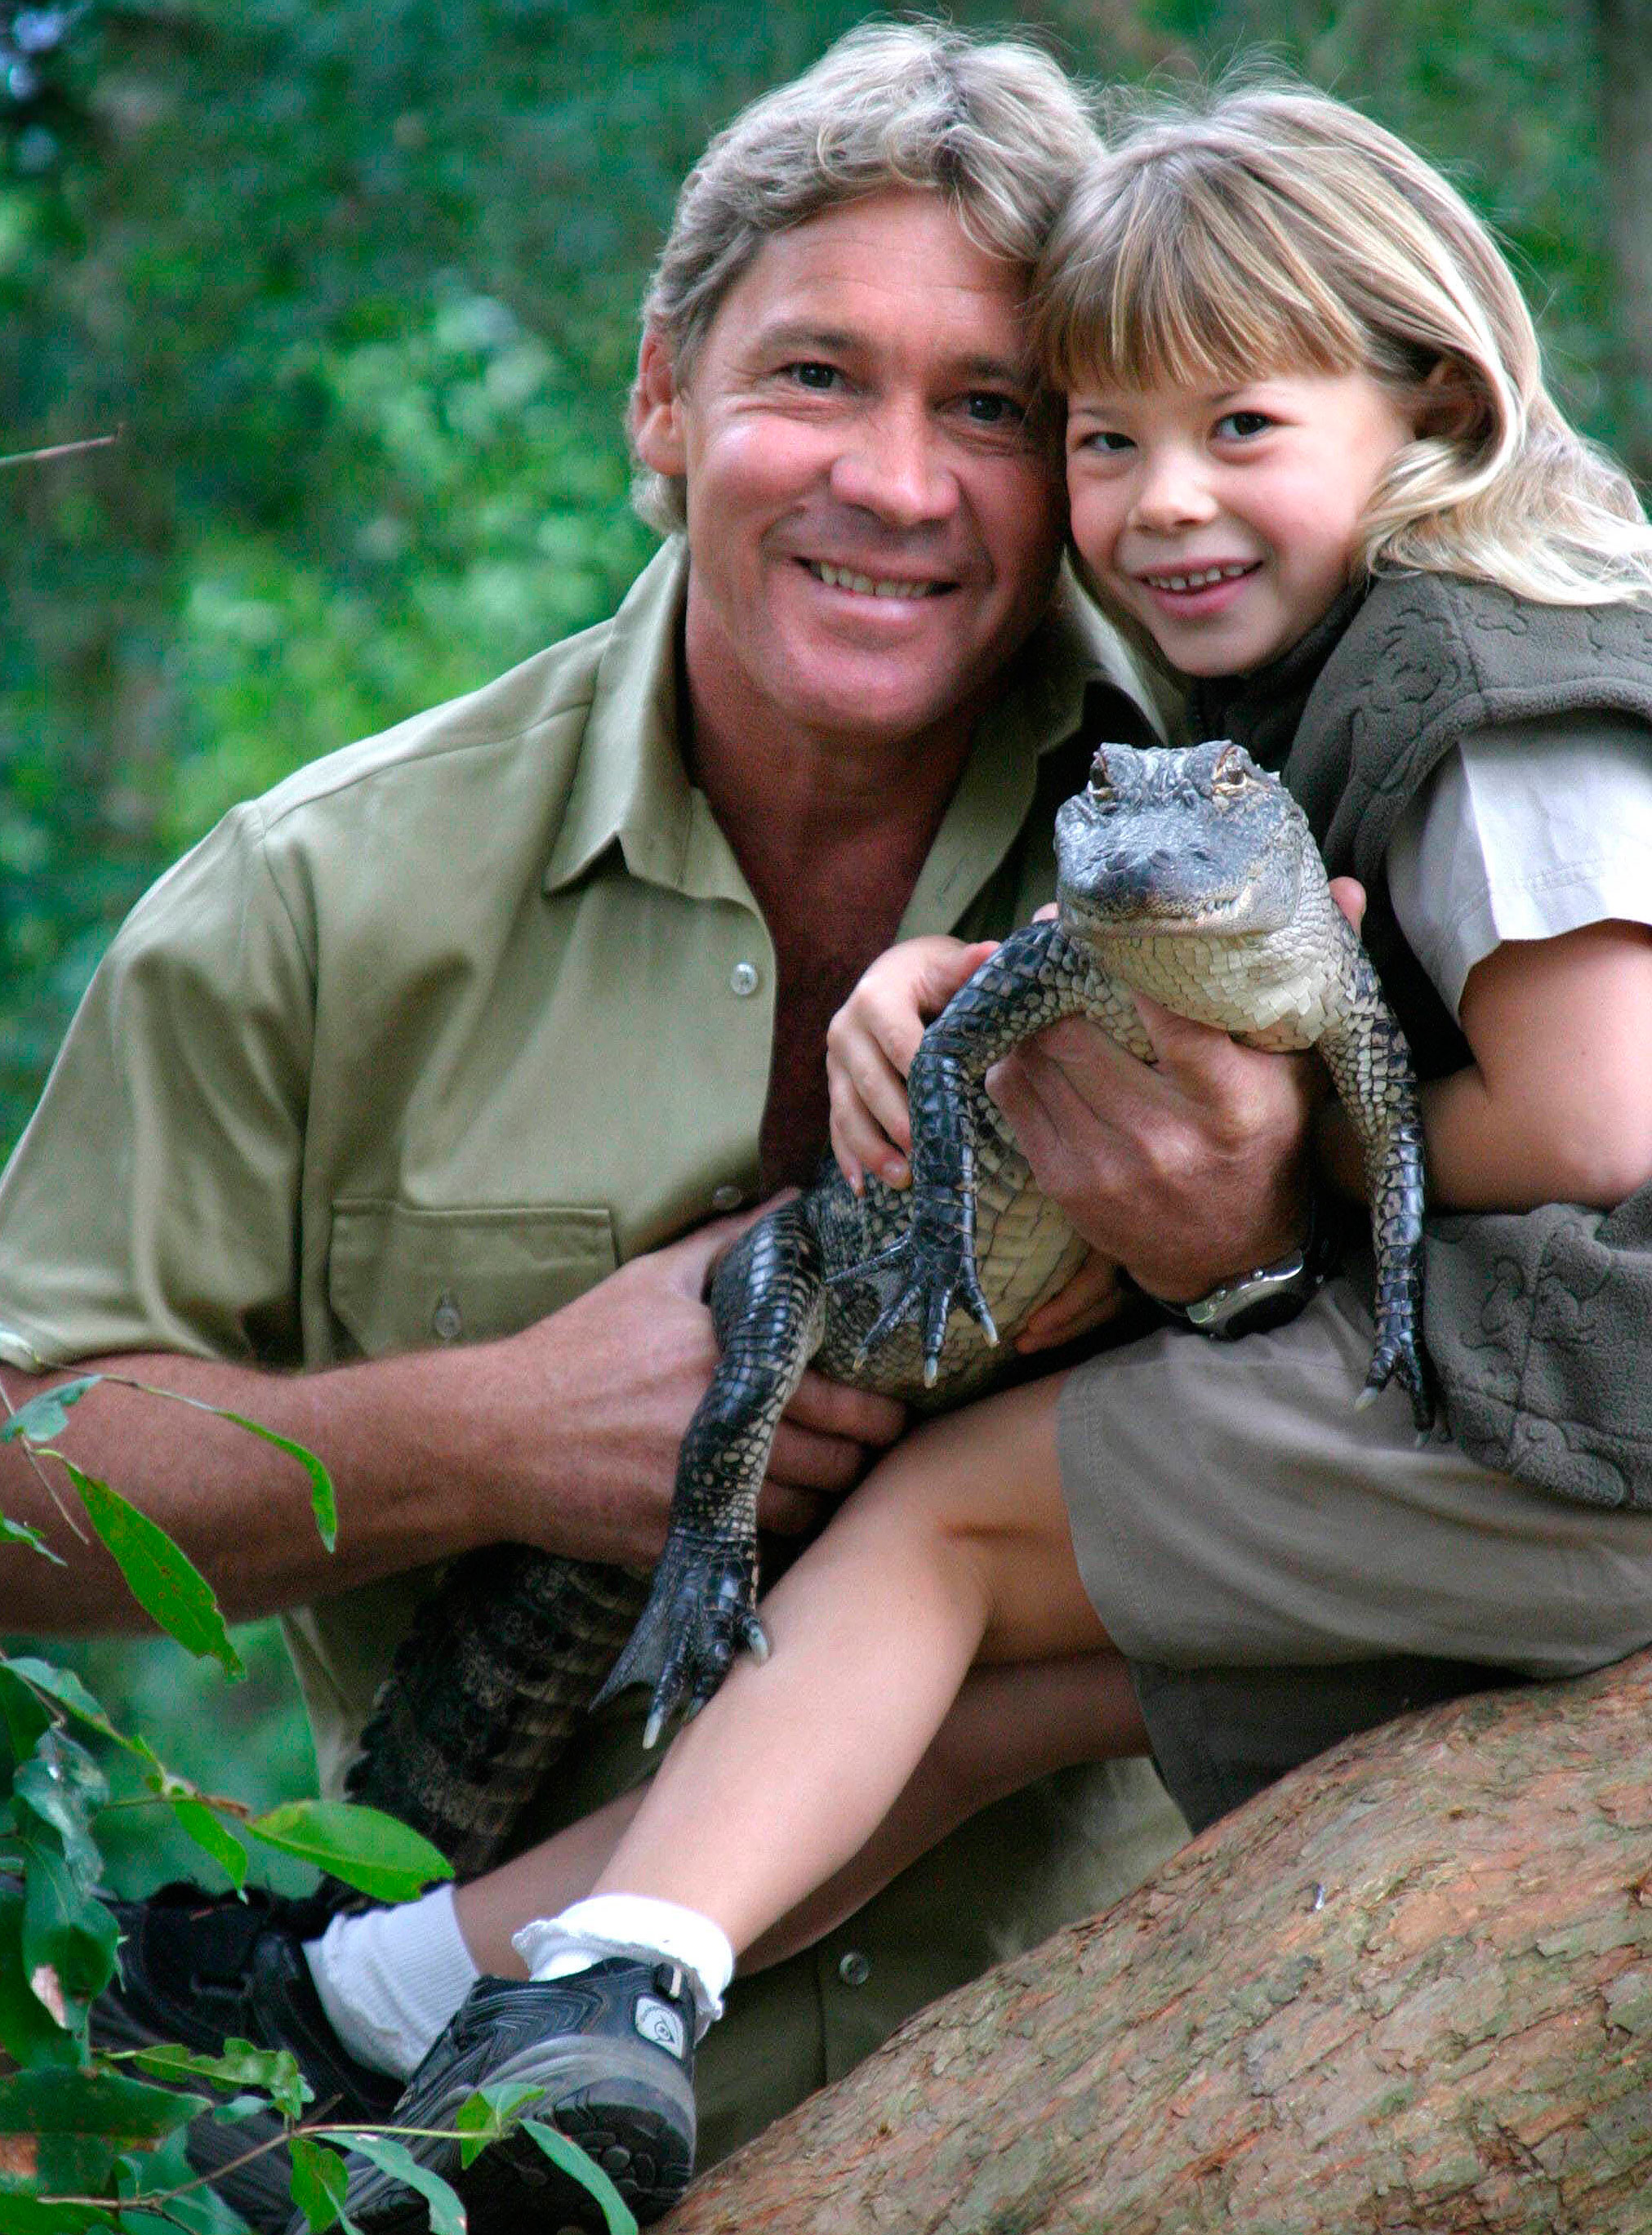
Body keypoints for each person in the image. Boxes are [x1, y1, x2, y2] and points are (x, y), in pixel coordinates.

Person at [0, 26, 1343, 2232]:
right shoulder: (319, 895)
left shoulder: (1234, 825)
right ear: (661, 400)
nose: (898, 483)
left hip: (1160, 2106)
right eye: (817, 375)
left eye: (992, 409)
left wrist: (1259, 1230)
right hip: (443, 2150)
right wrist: (496, 1427)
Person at [317, 73, 1652, 2233]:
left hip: (1592, 1425)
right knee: (1010, 1670)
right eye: (1106, 437)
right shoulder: (1319, 682)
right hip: (1566, 1440)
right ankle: (403, 1999)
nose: (1158, 501)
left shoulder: (1481, 687)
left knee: (931, 1536)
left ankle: (593, 1983)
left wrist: (1278, 1171)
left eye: (1240, 425)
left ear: (1430, 399)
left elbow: (1596, 1119)